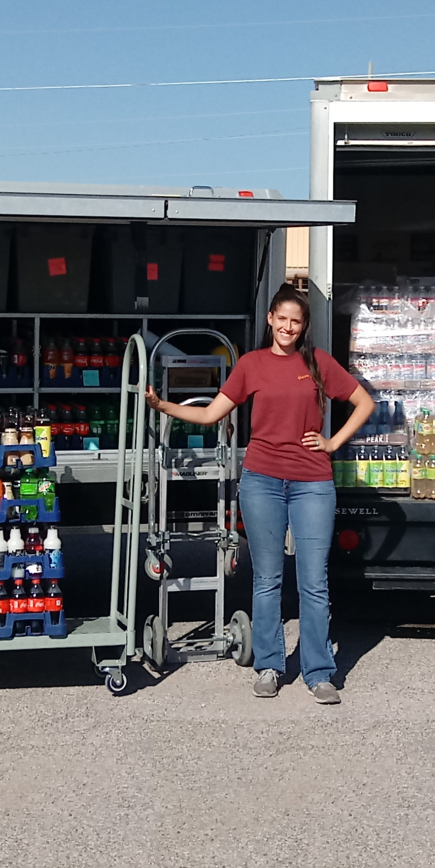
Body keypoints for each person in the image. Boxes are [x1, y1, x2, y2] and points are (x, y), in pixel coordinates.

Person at [145, 284, 373, 703]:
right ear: (270, 319)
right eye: (281, 318)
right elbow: (211, 414)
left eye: (296, 321)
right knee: (267, 579)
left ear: (304, 326)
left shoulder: (318, 363)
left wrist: (332, 443)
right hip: (262, 481)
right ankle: (270, 666)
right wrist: (163, 407)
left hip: (312, 483)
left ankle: (319, 673)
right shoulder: (251, 364)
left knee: (314, 582)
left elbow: (364, 403)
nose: (288, 327)